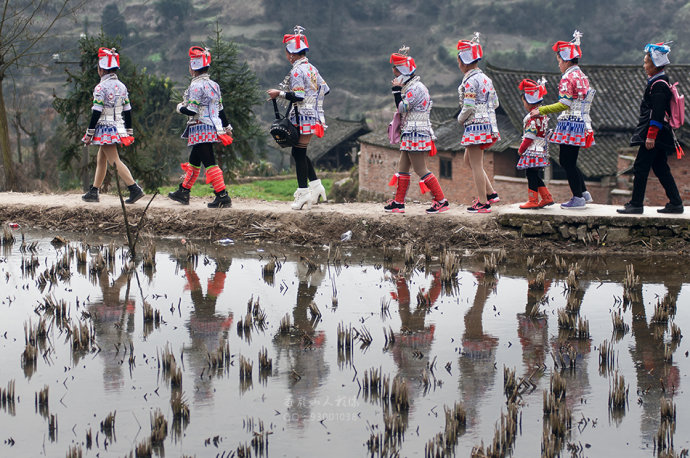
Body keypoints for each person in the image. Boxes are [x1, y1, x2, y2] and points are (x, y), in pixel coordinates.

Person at [617, 42, 684, 214]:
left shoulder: (659, 85)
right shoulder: (659, 82)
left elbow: (658, 113)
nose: (644, 65)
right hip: (660, 133)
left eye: (646, 62)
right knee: (661, 167)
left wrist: (651, 136)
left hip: (655, 133)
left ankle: (636, 204)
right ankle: (676, 203)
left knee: (640, 167)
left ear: (655, 65)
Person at [267, 26, 329, 210]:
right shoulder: (312, 69)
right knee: (300, 151)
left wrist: (280, 93)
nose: (287, 56)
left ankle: (303, 194)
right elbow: (326, 89)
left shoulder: (296, 71)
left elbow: (299, 96)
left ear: (292, 54)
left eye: (287, 52)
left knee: (298, 153)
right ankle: (316, 187)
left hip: (302, 116)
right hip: (312, 116)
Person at [531, 30, 595, 210]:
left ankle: (578, 197)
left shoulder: (568, 77)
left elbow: (564, 103)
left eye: (559, 61)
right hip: (581, 121)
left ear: (566, 60)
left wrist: (541, 110)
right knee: (571, 160)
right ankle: (583, 192)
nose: (559, 64)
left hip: (569, 123)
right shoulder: (581, 75)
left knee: (566, 161)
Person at [385, 46, 448, 214]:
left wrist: (396, 91)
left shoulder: (415, 89)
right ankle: (398, 202)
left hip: (415, 132)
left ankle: (441, 200)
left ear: (403, 72)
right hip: (411, 131)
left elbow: (402, 108)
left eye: (396, 72)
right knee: (402, 167)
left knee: (420, 169)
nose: (395, 76)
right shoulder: (414, 87)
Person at [168, 46, 233, 208]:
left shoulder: (196, 86)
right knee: (194, 161)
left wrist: (179, 108)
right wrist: (226, 126)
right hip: (212, 126)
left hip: (200, 127)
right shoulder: (214, 85)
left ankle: (222, 195)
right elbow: (220, 109)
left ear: (194, 67)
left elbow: (191, 110)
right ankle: (183, 191)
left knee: (209, 162)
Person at [81, 47, 144, 204]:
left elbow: (96, 112)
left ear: (101, 69)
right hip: (118, 126)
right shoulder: (122, 86)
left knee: (114, 160)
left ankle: (134, 188)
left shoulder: (100, 88)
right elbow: (127, 111)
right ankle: (94, 191)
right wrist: (128, 132)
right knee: (101, 158)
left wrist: (89, 133)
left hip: (105, 127)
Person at [456, 33, 501, 213]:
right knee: (469, 160)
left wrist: (460, 119)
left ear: (465, 62)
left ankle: (483, 202)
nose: (459, 64)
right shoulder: (486, 79)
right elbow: (496, 103)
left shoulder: (469, 81)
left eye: (459, 61)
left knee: (475, 164)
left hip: (475, 124)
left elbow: (468, 106)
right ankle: (490, 193)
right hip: (487, 122)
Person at [516, 78, 554, 209]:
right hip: (541, 149)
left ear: (529, 102)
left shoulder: (531, 118)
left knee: (530, 174)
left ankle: (533, 200)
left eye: (524, 102)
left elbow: (529, 137)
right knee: (534, 174)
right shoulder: (543, 115)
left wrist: (521, 150)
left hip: (532, 150)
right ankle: (546, 197)